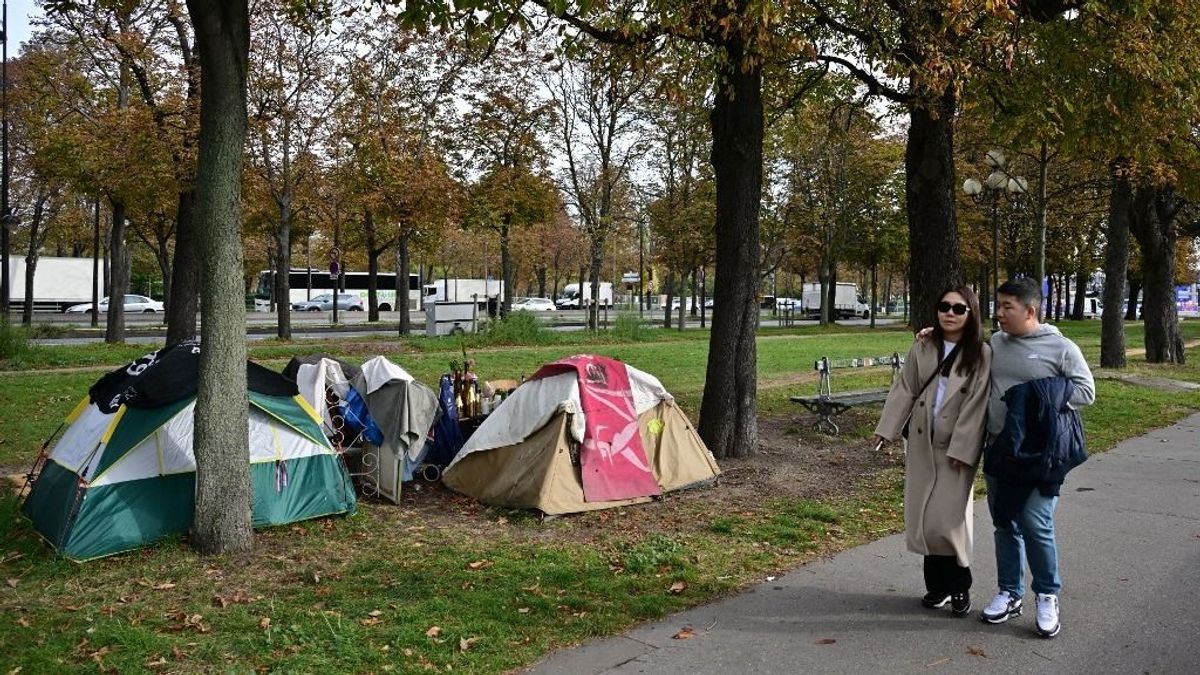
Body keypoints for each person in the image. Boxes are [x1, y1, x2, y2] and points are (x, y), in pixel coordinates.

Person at [977, 277, 1095, 638]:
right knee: (1004, 522)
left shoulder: (1061, 347)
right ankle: (1010, 592)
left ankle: (1047, 593)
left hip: (1042, 455)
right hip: (999, 449)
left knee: (1036, 523)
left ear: (1030, 310)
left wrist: (1037, 398)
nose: (998, 314)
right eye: (998, 306)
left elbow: (1086, 391)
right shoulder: (997, 342)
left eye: (1006, 307)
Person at [874, 286, 991, 617]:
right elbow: (906, 388)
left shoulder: (981, 353)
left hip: (955, 448)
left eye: (958, 308)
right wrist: (888, 430)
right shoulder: (924, 346)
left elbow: (977, 405)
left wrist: (963, 448)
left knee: (950, 520)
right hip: (922, 443)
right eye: (944, 306)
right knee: (926, 518)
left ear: (971, 314)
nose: (949, 313)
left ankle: (959, 586)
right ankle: (936, 586)